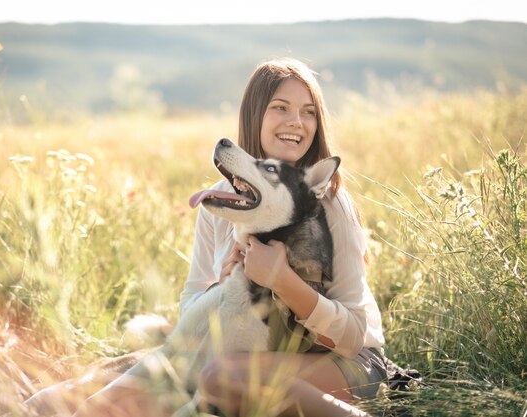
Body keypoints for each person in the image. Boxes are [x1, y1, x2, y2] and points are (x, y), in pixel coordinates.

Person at [74, 57, 387, 417]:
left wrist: (283, 281)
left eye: (308, 112)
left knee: (223, 377)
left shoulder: (327, 202)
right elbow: (192, 306)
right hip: (249, 357)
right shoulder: (219, 202)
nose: (296, 122)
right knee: (84, 400)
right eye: (280, 108)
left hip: (340, 364)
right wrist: (221, 284)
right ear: (254, 115)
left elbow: (351, 338)